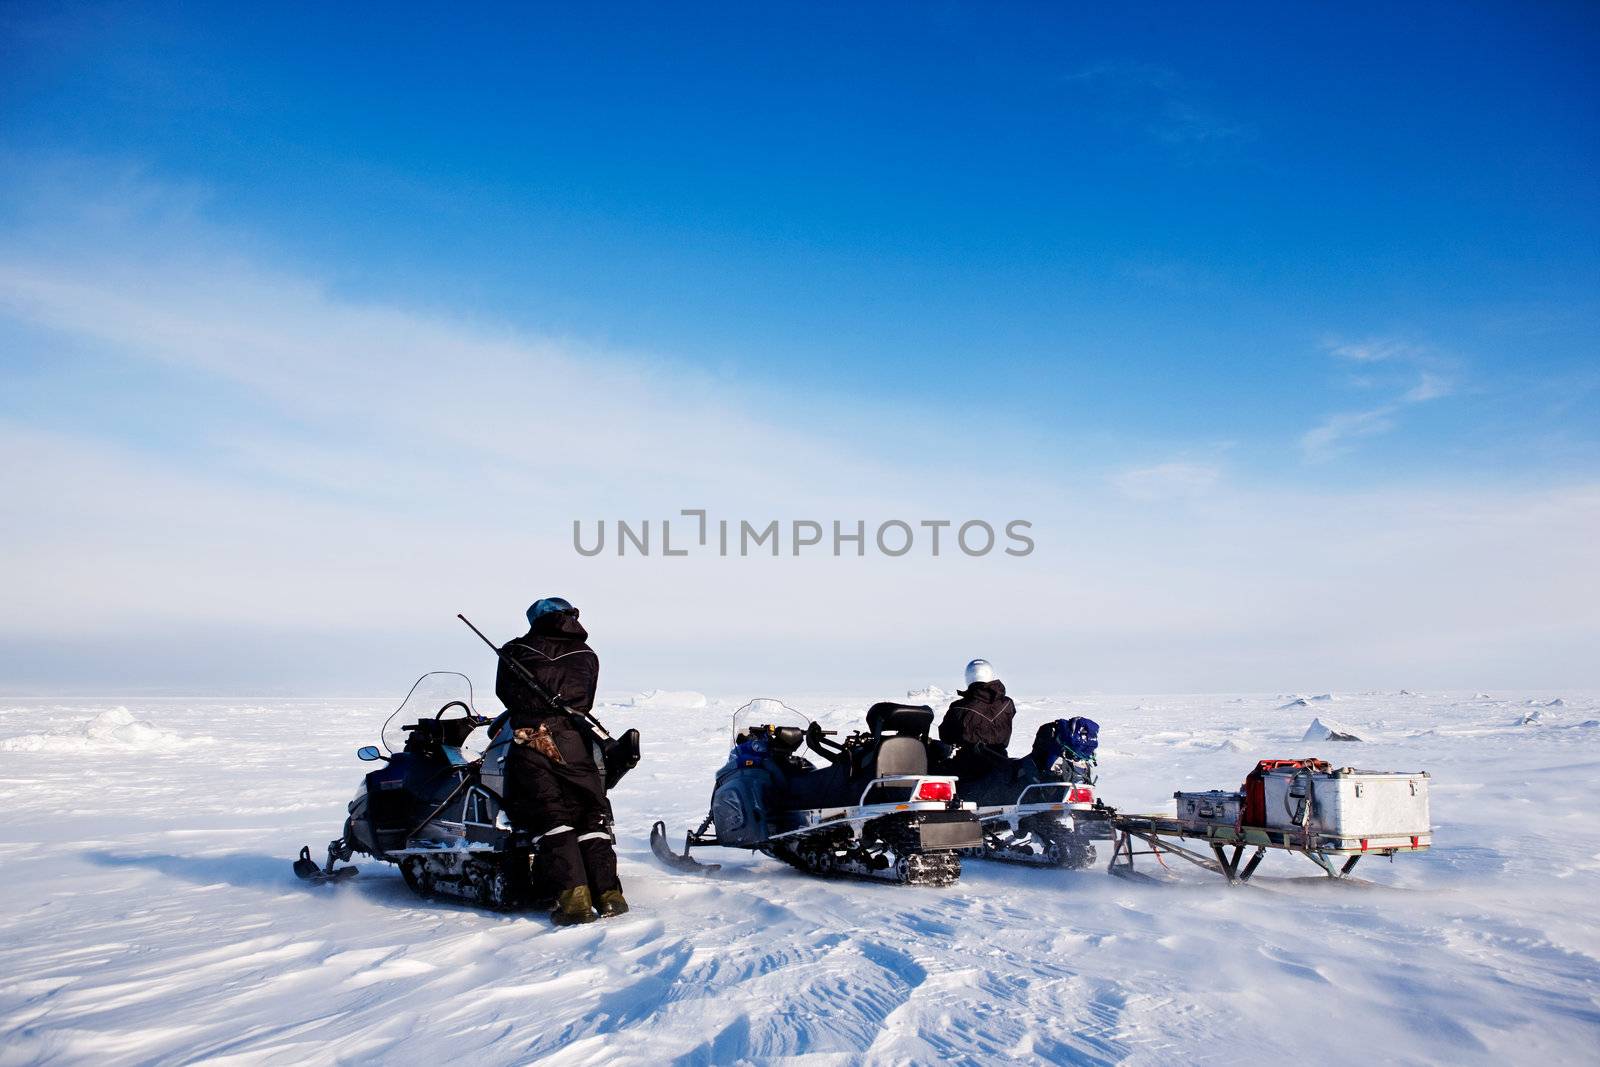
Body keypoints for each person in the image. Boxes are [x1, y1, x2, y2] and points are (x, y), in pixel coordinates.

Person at [496, 596, 627, 925]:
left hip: (532, 741)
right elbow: (587, 697)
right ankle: (610, 897)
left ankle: (575, 904)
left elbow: (505, 694)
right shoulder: (587, 655)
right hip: (574, 741)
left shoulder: (516, 650)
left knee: (551, 818)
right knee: (590, 816)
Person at [937, 658, 1018, 782]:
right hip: (1001, 761)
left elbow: (945, 735)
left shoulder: (958, 707)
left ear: (968, 677)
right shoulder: (1007, 704)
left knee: (934, 771)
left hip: (969, 764)